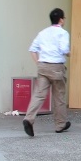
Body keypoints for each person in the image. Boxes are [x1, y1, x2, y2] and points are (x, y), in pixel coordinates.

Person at [23, 8, 71, 137]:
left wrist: (38, 63)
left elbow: (32, 49)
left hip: (43, 67)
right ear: (61, 20)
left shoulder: (42, 33)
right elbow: (64, 49)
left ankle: (29, 118)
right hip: (56, 67)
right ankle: (60, 124)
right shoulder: (63, 33)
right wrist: (69, 53)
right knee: (59, 96)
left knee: (38, 95)